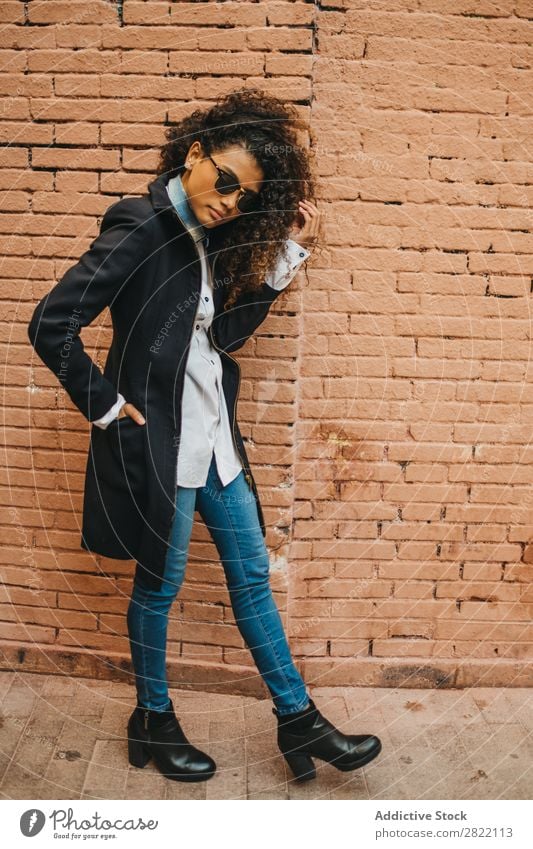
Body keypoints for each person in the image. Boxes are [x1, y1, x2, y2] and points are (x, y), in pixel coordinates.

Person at [27, 88, 382, 784]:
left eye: (245, 196)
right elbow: (50, 324)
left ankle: (297, 718)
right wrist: (105, 404)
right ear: (194, 153)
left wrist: (284, 253)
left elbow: (223, 337)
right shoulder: (138, 226)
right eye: (224, 180)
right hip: (162, 446)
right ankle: (153, 717)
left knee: (251, 577)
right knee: (159, 587)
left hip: (217, 446)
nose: (228, 200)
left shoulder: (212, 238)